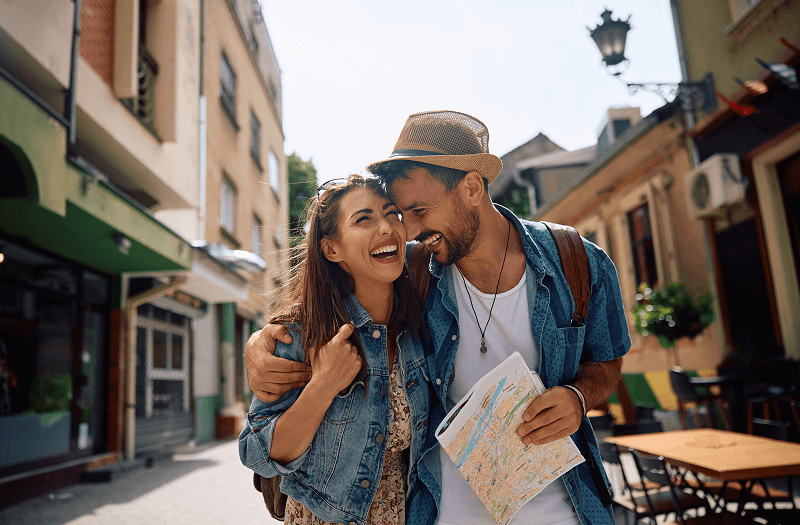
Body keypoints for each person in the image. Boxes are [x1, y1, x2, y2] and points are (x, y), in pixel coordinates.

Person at [246, 111, 631, 525]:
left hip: (563, 508)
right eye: (401, 213)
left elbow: (606, 361)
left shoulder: (577, 262)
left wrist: (579, 397)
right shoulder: (413, 270)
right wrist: (263, 339)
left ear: (470, 187)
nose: (408, 230)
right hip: (446, 510)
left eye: (417, 210)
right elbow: (337, 291)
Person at [239, 175, 435, 525]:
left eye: (392, 214)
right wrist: (324, 385)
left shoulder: (420, 325)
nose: (386, 227)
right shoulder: (300, 335)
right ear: (332, 249)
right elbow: (255, 452)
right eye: (364, 219)